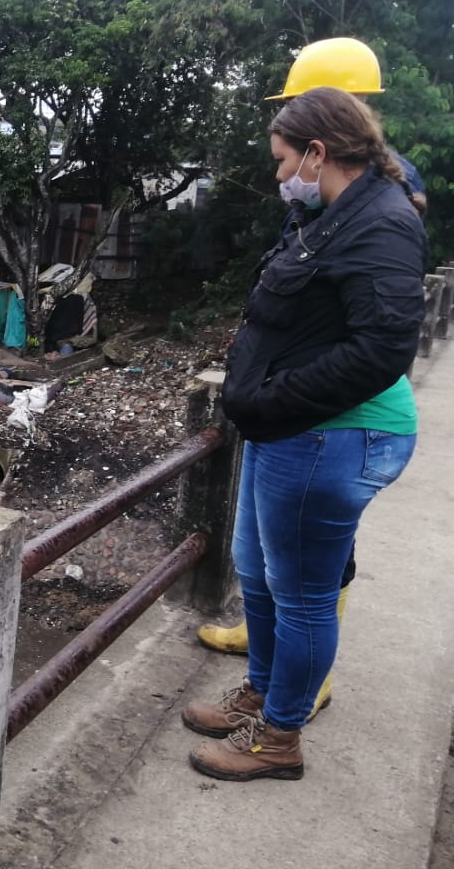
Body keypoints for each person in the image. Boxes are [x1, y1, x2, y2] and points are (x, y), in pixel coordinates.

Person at [182, 86, 427, 781]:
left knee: (304, 594)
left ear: (318, 153)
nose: (279, 175)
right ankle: (261, 693)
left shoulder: (380, 224)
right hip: (289, 430)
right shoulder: (333, 215)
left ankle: (280, 736)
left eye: (283, 160)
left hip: (330, 435)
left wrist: (275, 399)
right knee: (256, 574)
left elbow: (382, 350)